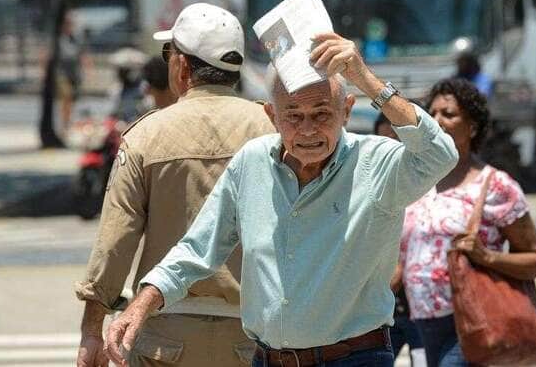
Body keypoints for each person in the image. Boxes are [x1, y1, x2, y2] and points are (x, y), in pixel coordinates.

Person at [105, 31, 460, 367]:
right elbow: (198, 249)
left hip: (354, 358)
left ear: (347, 111)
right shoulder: (252, 161)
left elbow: (440, 155)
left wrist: (365, 78)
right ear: (272, 116)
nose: (308, 129)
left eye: (321, 113)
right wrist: (141, 304)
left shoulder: (376, 162)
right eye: (293, 116)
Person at [74, 3, 276, 367]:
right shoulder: (274, 129)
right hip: (255, 334)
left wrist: (91, 330)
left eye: (169, 52)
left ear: (182, 66)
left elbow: (115, 240)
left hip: (164, 336)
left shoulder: (145, 136)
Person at [399, 77, 536, 367]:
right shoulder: (417, 179)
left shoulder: (495, 186)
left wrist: (487, 256)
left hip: (470, 320)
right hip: (421, 320)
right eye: (432, 113)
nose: (437, 120)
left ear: (473, 127)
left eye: (449, 114)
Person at [374, 113, 427, 367]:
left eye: (398, 137)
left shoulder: (430, 183)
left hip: (425, 310)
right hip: (383, 312)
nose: (392, 145)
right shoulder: (371, 184)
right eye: (385, 137)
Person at [57, 12, 92, 133]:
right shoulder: (58, 39)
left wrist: (87, 70)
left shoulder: (76, 39)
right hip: (62, 73)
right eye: (66, 24)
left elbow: (83, 55)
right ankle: (65, 124)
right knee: (66, 97)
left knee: (71, 100)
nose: (69, 26)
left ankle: (67, 121)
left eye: (70, 24)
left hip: (74, 74)